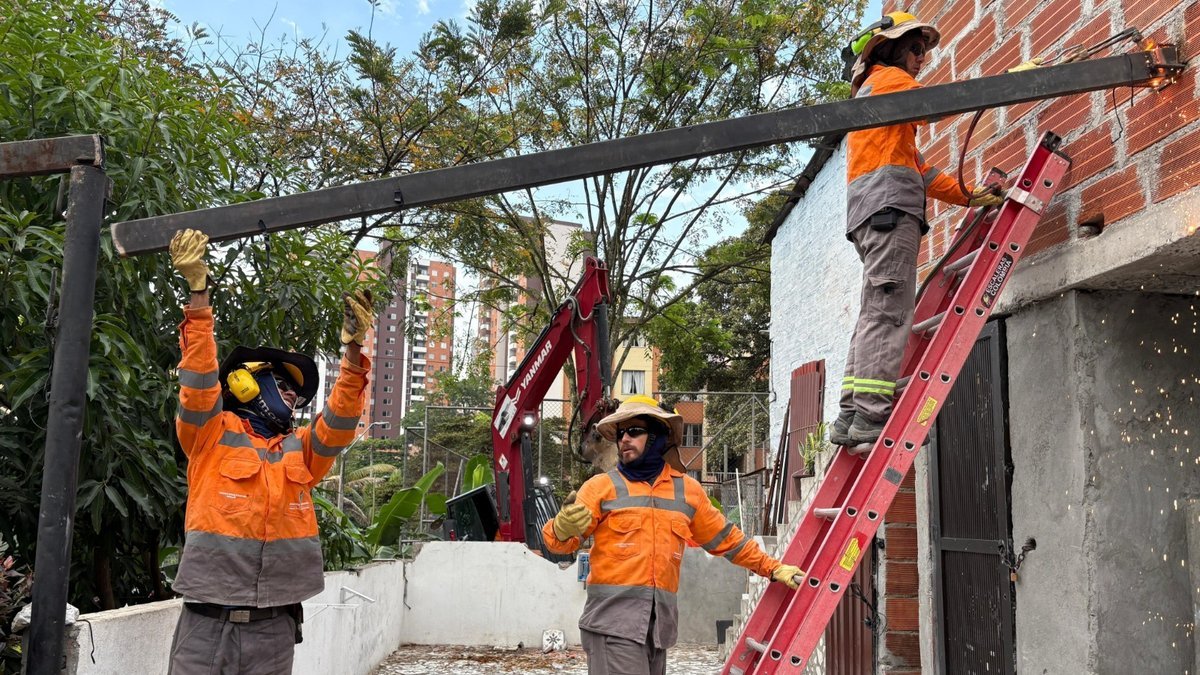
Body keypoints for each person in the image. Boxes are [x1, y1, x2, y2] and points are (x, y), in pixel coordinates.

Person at [166, 228, 376, 674]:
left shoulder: (300, 451)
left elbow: (339, 420)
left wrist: (354, 351)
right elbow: (199, 379)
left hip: (273, 630)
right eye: (284, 386)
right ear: (248, 382)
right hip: (204, 628)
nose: (293, 400)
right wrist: (199, 296)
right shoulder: (210, 434)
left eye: (297, 396)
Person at [831, 13, 1006, 447]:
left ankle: (851, 416)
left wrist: (970, 196)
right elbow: (938, 103)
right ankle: (872, 419)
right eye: (916, 49)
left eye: (923, 51)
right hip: (889, 212)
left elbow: (922, 172)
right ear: (891, 49)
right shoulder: (888, 79)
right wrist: (1010, 82)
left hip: (874, 214)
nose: (921, 59)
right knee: (889, 313)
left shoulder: (884, 112)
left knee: (874, 311)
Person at [542, 394, 804, 675]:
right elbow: (557, 543)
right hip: (612, 627)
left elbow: (728, 540)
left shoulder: (687, 491)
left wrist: (773, 569)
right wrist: (560, 527)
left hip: (657, 632)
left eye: (634, 431)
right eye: (620, 433)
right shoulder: (600, 488)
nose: (624, 439)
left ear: (656, 437)